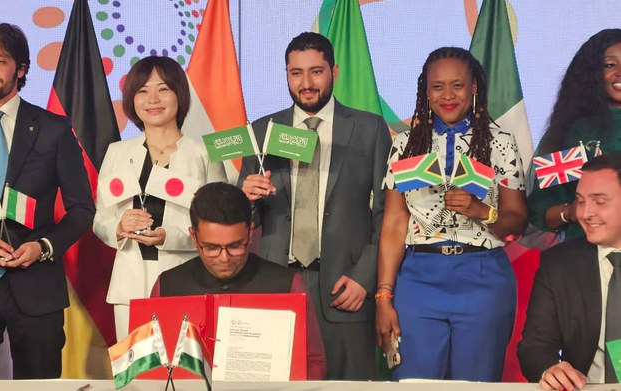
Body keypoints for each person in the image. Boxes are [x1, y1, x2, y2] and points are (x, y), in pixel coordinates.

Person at [238, 32, 391, 380]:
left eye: (316, 71)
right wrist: (244, 198)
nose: (306, 83)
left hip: (345, 288)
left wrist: (365, 278)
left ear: (334, 71)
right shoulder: (262, 130)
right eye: (296, 73)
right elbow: (243, 220)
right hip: (277, 282)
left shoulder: (369, 128)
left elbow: (387, 214)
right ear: (286, 74)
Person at [0, 22, 94, 379]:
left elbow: (81, 209)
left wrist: (44, 246)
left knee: (40, 384)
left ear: (22, 68)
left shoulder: (53, 128)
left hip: (37, 285)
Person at [376, 47, 528, 381]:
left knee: (476, 385)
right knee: (414, 383)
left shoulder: (500, 142)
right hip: (418, 278)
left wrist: (480, 210)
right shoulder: (404, 144)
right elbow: (393, 224)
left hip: (483, 277)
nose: (447, 95)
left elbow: (517, 219)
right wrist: (384, 296)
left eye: (457, 85)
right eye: (437, 87)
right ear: (425, 91)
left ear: (474, 87)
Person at [93, 56, 227, 340]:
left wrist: (170, 236)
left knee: (186, 374)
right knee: (135, 376)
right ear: (132, 99)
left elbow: (217, 226)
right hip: (128, 285)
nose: (152, 99)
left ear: (179, 94)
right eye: (142, 91)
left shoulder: (203, 153)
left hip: (185, 279)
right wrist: (118, 227)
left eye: (163, 89)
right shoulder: (117, 152)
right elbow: (100, 220)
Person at [153, 182, 326, 379]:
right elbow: (152, 368)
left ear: (250, 233)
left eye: (235, 246)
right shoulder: (167, 286)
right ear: (194, 237)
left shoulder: (287, 286)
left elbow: (313, 361)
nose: (224, 258)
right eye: (211, 248)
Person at [518, 152, 621, 390]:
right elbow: (535, 344)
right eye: (581, 201)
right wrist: (549, 369)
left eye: (599, 201)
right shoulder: (559, 264)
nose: (584, 214)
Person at [528, 29, 621, 241]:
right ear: (592, 74)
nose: (620, 72)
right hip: (584, 256)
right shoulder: (574, 133)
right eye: (609, 65)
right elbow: (542, 208)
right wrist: (573, 212)